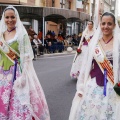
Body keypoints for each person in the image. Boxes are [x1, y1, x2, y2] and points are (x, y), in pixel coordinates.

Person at [0, 5, 50, 120]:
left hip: (17, 73)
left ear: (16, 17)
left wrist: (23, 76)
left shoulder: (21, 35)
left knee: (18, 100)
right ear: (4, 18)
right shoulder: (1, 35)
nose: (10, 20)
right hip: (3, 74)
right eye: (7, 17)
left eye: (12, 17)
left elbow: (27, 57)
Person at [69, 12, 120, 120]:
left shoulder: (118, 44)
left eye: (109, 24)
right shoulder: (94, 43)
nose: (106, 26)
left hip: (112, 85)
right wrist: (81, 87)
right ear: (100, 25)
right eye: (103, 23)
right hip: (93, 84)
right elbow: (85, 66)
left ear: (114, 26)